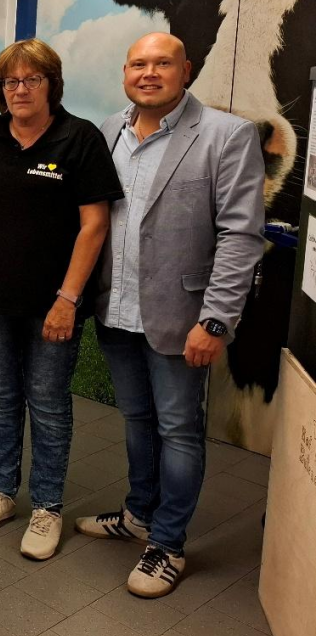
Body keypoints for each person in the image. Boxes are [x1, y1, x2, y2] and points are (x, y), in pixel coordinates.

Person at [75, 32, 264, 598]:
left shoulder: (226, 135)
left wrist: (215, 320)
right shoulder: (108, 131)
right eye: (138, 64)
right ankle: (139, 514)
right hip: (116, 310)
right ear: (125, 72)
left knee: (178, 430)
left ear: (187, 70)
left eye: (163, 63)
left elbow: (240, 235)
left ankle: (168, 544)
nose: (149, 73)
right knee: (137, 420)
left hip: (183, 318)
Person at [0, 38, 123, 561]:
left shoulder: (79, 138)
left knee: (48, 403)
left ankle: (48, 506)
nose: (21, 89)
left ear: (52, 84)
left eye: (32, 79)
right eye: (11, 81)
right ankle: (1, 491)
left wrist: (68, 299)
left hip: (55, 302)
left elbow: (94, 225)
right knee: (0, 397)